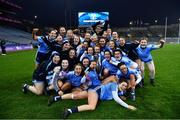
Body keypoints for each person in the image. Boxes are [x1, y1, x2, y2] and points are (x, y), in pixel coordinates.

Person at [62, 81, 136, 119]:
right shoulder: (114, 85)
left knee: (76, 96)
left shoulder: (118, 91)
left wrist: (121, 96)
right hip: (96, 90)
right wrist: (127, 106)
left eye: (125, 86)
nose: (123, 87)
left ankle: (56, 98)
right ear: (119, 83)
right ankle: (69, 110)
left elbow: (117, 95)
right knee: (91, 106)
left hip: (96, 91)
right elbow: (116, 98)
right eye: (122, 85)